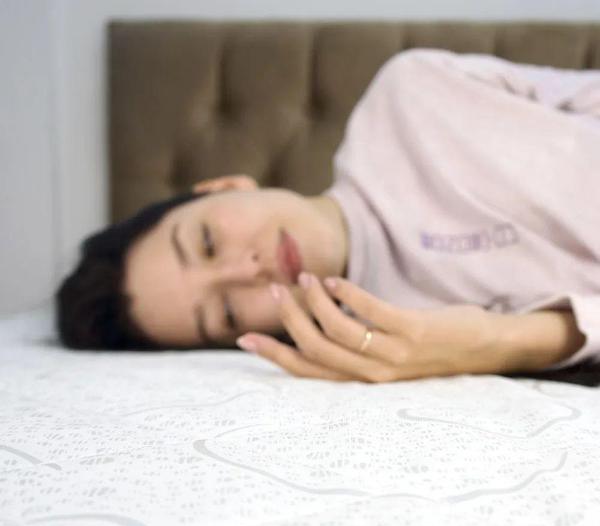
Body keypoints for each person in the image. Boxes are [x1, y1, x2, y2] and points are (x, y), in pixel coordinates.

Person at [56, 48, 600, 384]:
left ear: (223, 186)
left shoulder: (409, 92)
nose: (248, 271)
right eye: (226, 313)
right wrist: (499, 342)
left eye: (207, 243)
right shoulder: (401, 347)